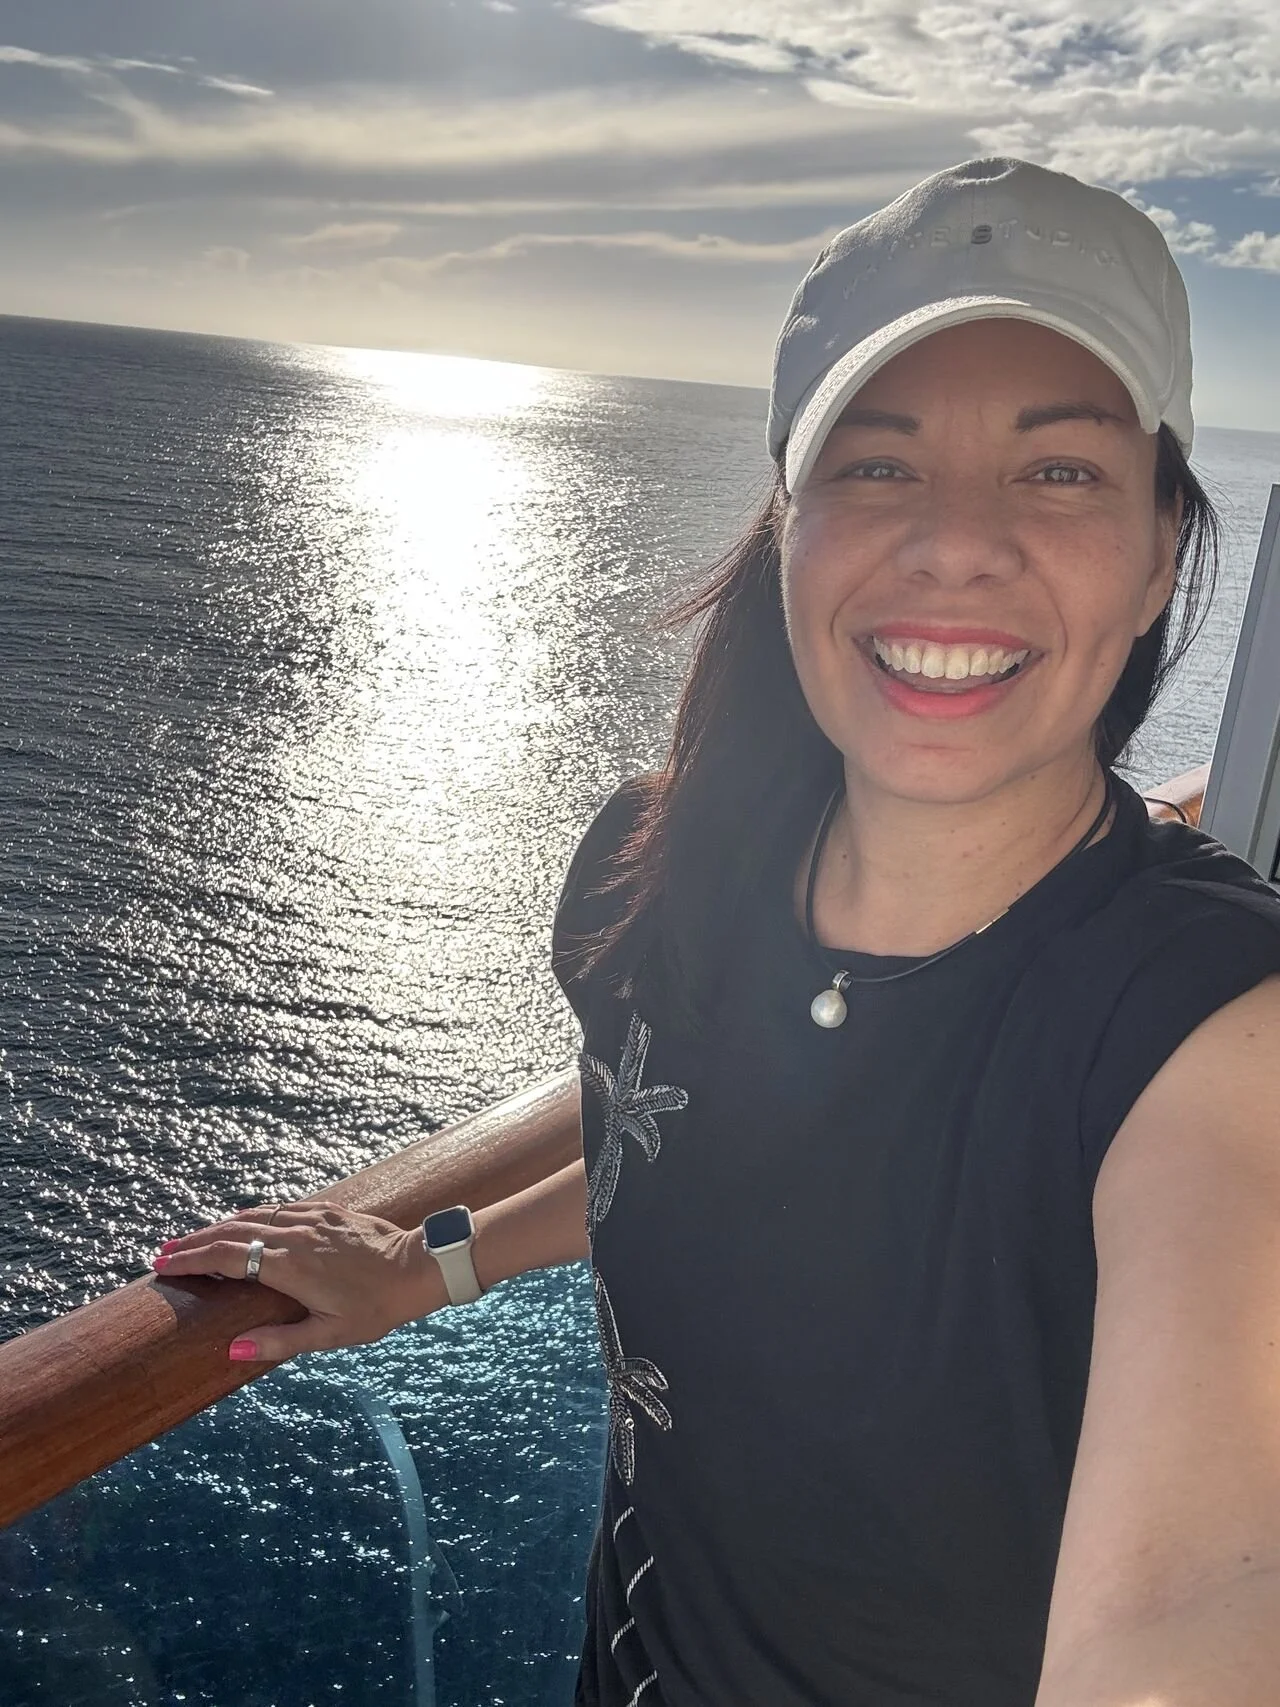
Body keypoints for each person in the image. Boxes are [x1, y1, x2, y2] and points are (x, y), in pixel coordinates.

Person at [151, 157, 1280, 1706]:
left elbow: (1189, 1614)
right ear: (790, 526)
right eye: (879, 466)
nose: (957, 542)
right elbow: (665, 1128)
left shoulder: (1211, 1032)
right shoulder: (662, 872)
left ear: (1160, 553)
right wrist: (430, 1265)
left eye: (1061, 470)